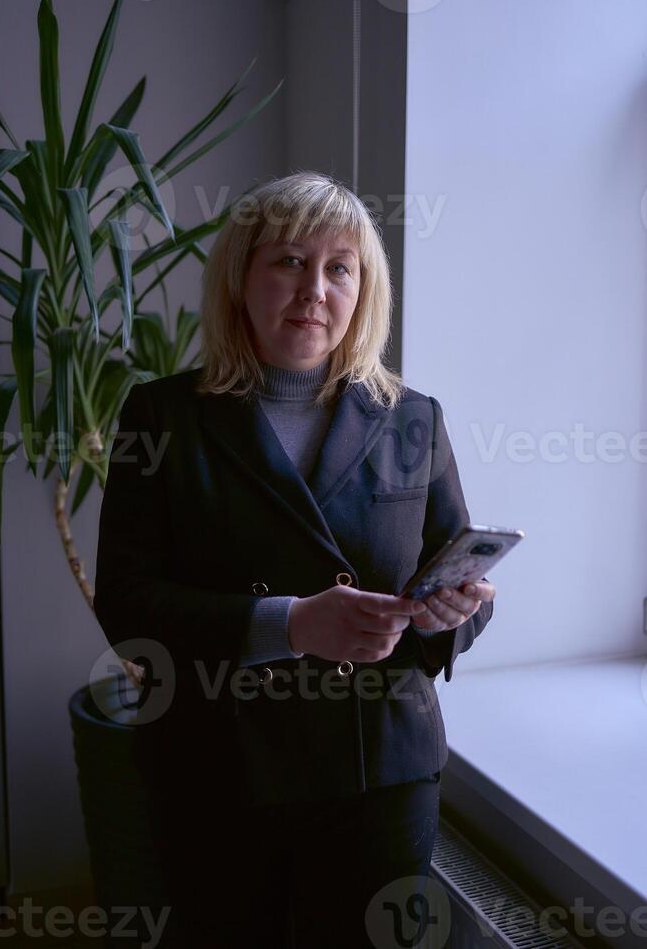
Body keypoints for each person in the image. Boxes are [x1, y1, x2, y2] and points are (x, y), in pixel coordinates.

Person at [93, 170, 496, 949]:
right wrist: (292, 625)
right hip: (222, 771)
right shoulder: (162, 415)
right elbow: (128, 602)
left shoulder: (413, 419)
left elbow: (461, 583)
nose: (315, 287)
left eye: (339, 267)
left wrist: (457, 610)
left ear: (362, 289)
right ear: (242, 277)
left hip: (381, 769)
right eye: (287, 260)